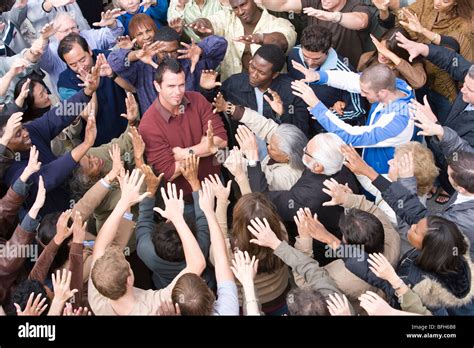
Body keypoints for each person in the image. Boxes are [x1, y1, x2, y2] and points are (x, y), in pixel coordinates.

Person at [88, 176, 207, 315]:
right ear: (129, 279)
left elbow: (100, 246)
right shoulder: (153, 306)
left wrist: (123, 202)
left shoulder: (98, 299)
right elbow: (198, 264)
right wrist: (177, 217)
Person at [2, 61, 101, 216]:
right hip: (54, 217)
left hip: (73, 194)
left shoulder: (31, 130)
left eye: (22, 128)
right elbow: (46, 178)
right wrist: (85, 144)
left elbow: (58, 115)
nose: (25, 133)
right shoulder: (10, 170)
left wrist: (86, 93)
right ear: (5, 142)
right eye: (18, 134)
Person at [291, 62, 416, 178]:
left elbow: (352, 136)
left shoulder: (398, 122)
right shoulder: (396, 86)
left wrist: (317, 106)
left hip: (384, 173)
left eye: (365, 92)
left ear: (382, 92)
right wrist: (317, 76)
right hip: (368, 158)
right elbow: (352, 80)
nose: (361, 94)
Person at [343, 216, 474, 315]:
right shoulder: (452, 249)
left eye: (416, 231)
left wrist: (336, 246)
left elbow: (386, 285)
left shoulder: (415, 283)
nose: (412, 226)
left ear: (428, 247)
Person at [396, 33, 474, 201]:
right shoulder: (470, 80)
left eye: (470, 89)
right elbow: (453, 61)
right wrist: (423, 49)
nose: (462, 90)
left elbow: (467, 158)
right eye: (464, 83)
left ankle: (450, 189)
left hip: (461, 174)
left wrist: (437, 127)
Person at [138, 59, 227, 198]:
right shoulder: (148, 125)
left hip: (216, 187)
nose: (178, 92)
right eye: (171, 86)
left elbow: (221, 140)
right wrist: (205, 146)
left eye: (181, 85)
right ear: (157, 86)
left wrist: (185, 153)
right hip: (183, 200)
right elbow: (169, 171)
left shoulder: (197, 100)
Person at [375, 0, 472, 119]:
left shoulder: (464, 23)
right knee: (422, 121)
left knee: (446, 125)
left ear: (456, 2)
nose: (437, 3)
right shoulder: (424, 4)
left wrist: (422, 31)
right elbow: (397, 27)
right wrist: (383, 11)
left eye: (445, 1)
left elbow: (453, 48)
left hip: (444, 88)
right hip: (418, 78)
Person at [204, 44, 311, 151]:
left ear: (275, 74)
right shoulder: (235, 83)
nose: (254, 74)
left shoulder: (292, 91)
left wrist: (284, 112)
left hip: (278, 158)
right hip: (242, 155)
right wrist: (208, 90)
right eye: (252, 67)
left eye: (261, 72)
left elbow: (301, 135)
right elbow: (213, 107)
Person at [108, 17, 227, 113]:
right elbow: (114, 62)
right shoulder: (141, 68)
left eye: (173, 51)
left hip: (191, 124)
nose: (170, 56)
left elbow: (221, 44)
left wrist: (201, 50)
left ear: (179, 47)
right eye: (164, 52)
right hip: (157, 131)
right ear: (155, 48)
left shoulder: (192, 61)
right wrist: (135, 55)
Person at [136, 155, 214, 290]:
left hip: (166, 291)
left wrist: (151, 189)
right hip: (205, 287)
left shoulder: (146, 251)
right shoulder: (200, 247)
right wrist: (194, 180)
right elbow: (203, 217)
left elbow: (144, 219)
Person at [189, 0, 297, 81]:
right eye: (235, 8)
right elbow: (210, 23)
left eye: (244, 4)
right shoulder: (227, 18)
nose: (240, 12)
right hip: (233, 90)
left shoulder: (278, 23)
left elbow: (281, 42)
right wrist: (200, 24)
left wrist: (260, 38)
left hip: (270, 92)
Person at [287, 24, 367, 128]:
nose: (310, 63)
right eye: (306, 56)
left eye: (316, 59)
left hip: (325, 129)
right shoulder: (294, 54)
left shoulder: (345, 71)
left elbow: (357, 111)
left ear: (328, 50)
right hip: (298, 122)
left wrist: (326, 114)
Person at [57, 33, 129, 146]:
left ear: (89, 51)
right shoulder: (65, 83)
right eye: (73, 65)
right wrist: (90, 88)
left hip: (127, 127)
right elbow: (89, 115)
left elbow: (133, 85)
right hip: (101, 142)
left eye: (82, 60)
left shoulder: (105, 58)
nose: (80, 67)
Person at [256, 0, 371, 67]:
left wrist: (334, 16)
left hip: (343, 72)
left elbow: (361, 21)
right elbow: (282, 4)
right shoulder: (314, 2)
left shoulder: (356, 6)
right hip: (311, 67)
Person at [217, 107, 307, 191]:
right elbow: (263, 125)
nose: (268, 146)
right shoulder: (282, 140)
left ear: (287, 156)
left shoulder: (288, 177)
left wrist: (218, 153)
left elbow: (256, 175)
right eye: (269, 143)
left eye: (272, 148)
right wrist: (231, 109)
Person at [39, 11, 124, 94]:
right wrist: (44, 39)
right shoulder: (52, 50)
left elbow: (112, 35)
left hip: (108, 89)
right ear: (55, 34)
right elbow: (41, 57)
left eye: (73, 28)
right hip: (76, 97)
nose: (71, 32)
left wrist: (112, 25)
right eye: (65, 30)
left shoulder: (89, 37)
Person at [357, 27, 426, 89]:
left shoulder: (413, 63)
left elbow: (419, 82)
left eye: (388, 52)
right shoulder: (366, 58)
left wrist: (393, 57)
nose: (382, 55)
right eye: (381, 49)